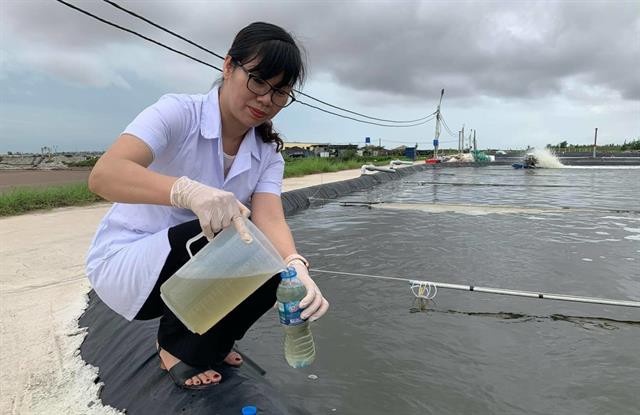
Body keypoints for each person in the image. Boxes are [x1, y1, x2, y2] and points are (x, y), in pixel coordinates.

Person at [86, 22, 329, 390]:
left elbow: (269, 216)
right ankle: (173, 346)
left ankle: (207, 343)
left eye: (280, 92)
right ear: (228, 66)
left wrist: (296, 265)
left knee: (270, 258)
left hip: (190, 271)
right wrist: (186, 191)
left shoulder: (266, 153)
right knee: (227, 235)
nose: (266, 99)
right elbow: (104, 176)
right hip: (131, 262)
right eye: (258, 81)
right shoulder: (177, 113)